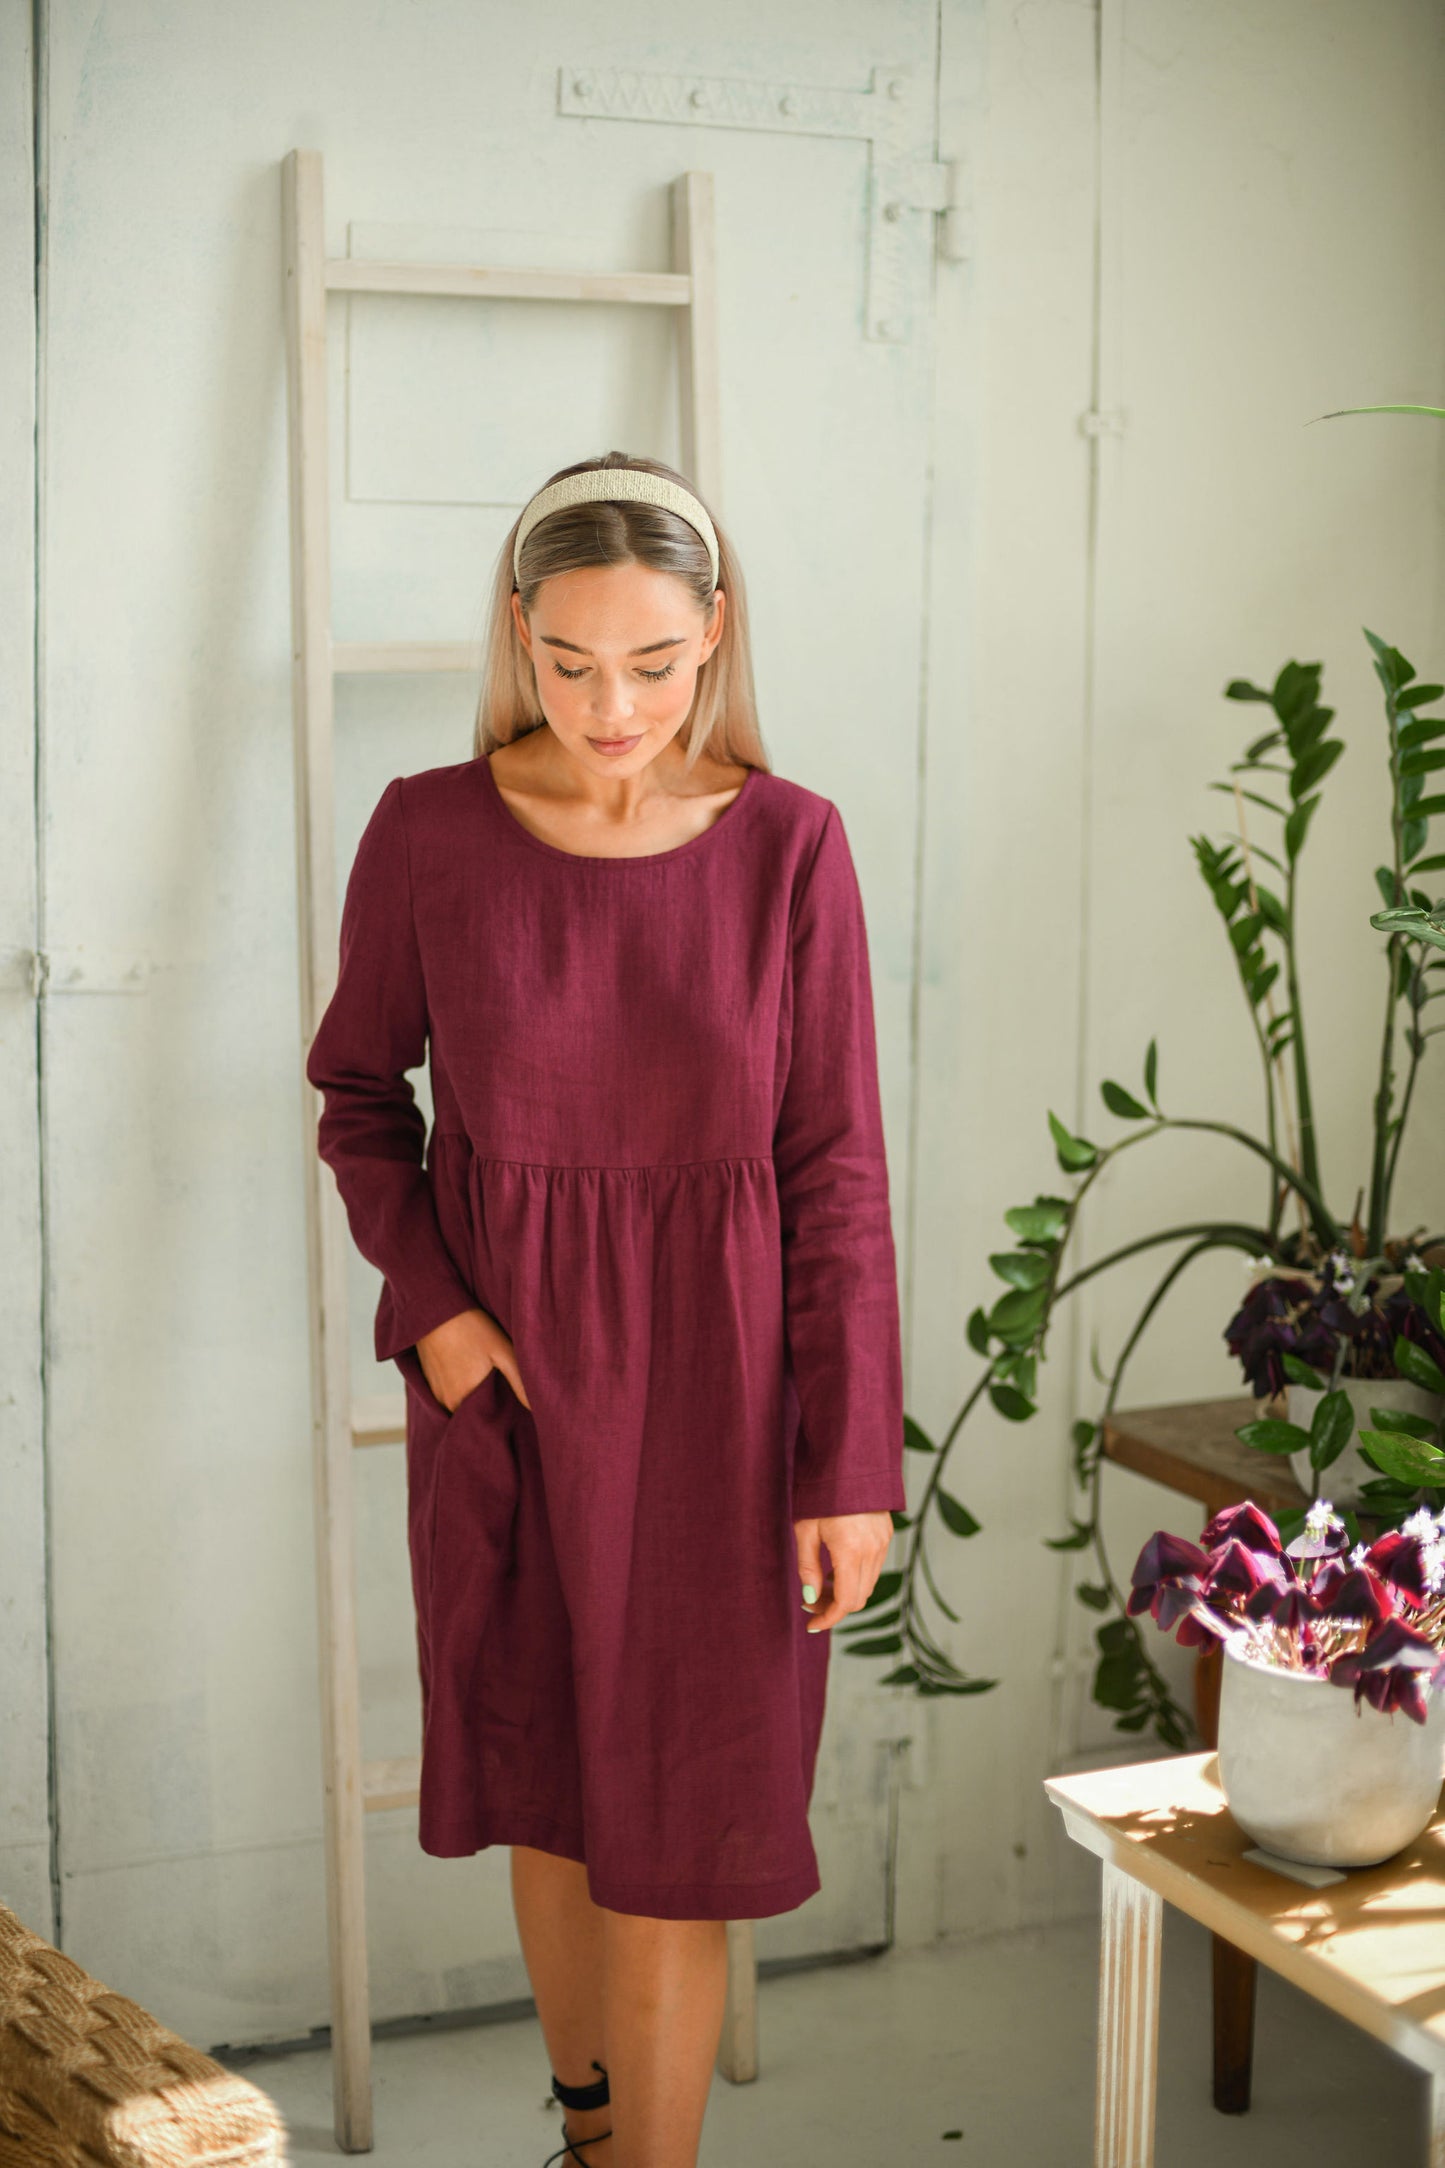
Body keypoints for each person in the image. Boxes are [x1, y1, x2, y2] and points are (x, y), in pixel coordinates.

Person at [304, 450, 906, 2168]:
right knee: (552, 1797)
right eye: (569, 663)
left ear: (713, 638)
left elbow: (836, 1176)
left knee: (687, 1823)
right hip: (510, 1394)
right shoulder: (429, 829)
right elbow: (358, 1092)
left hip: (727, 1415)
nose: (610, 703)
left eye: (650, 662)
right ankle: (583, 2134)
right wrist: (434, 1312)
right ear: (517, 633)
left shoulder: (792, 849)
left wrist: (845, 1460)